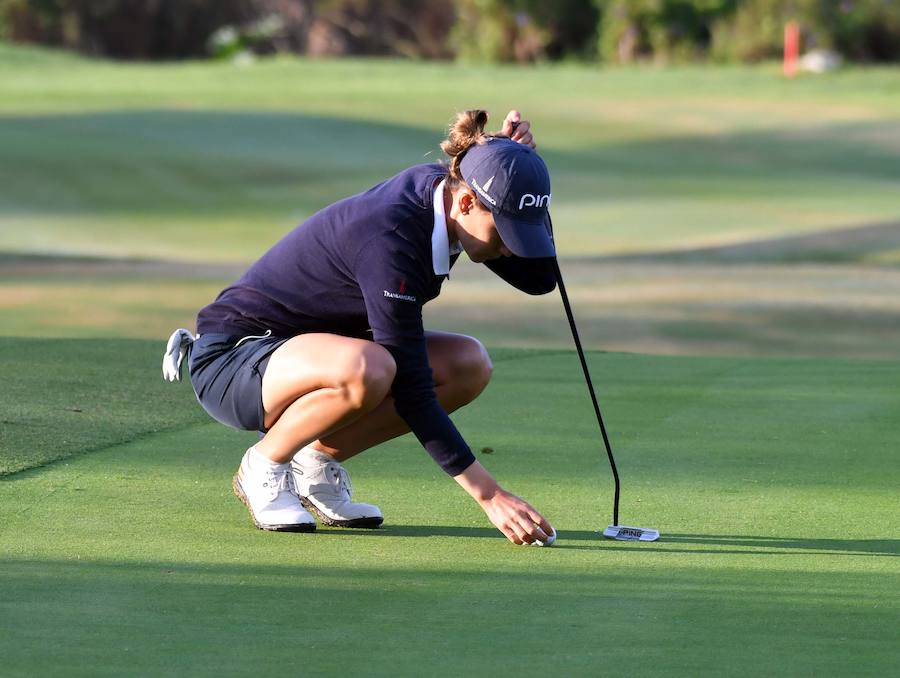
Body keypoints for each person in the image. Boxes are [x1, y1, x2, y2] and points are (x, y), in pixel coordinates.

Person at [163, 109, 558, 545]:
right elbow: (411, 387)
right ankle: (265, 464)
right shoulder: (392, 234)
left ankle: (313, 466)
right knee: (371, 367)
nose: (510, 247)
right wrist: (489, 495)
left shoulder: (452, 192)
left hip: (308, 355)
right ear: (465, 203)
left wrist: (515, 169)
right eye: (504, 230)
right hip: (234, 359)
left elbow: (540, 280)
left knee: (468, 364)